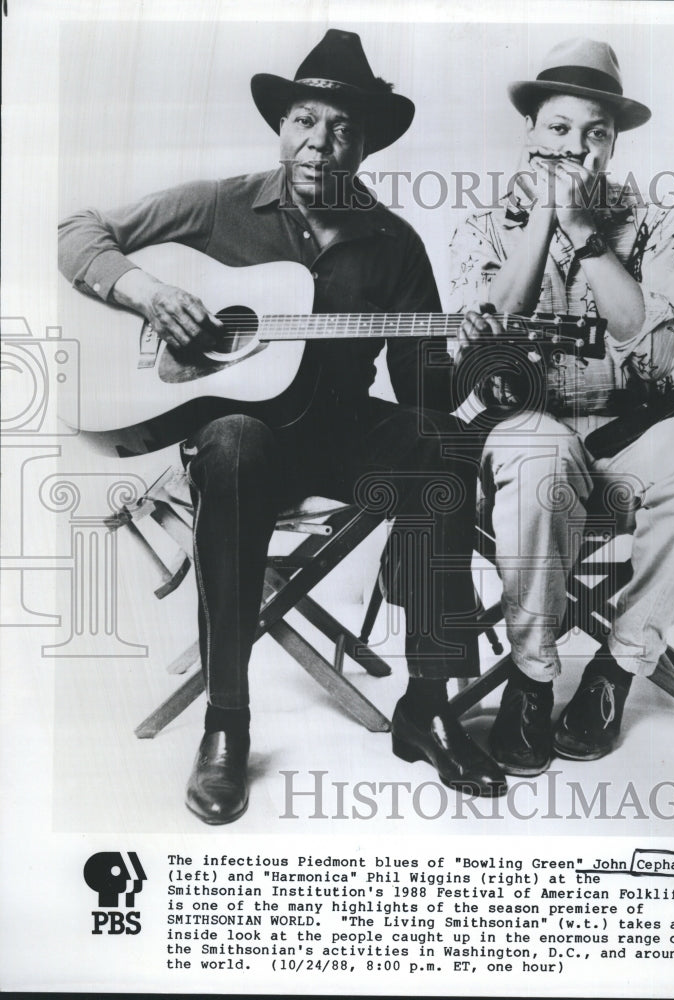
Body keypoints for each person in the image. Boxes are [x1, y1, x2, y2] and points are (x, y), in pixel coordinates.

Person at [59, 29, 507, 823]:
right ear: (282, 126)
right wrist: (148, 293)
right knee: (233, 444)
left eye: (341, 130)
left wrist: (460, 357)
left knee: (442, 448)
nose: (319, 144)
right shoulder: (216, 205)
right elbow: (77, 234)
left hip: (336, 435)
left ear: (365, 146)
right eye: (304, 120)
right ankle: (226, 724)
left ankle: (427, 703)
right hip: (239, 433)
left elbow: (420, 396)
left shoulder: (395, 245)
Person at [451, 38, 674, 776]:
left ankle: (616, 668)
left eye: (594, 133)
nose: (573, 146)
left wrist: (580, 233)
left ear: (610, 146)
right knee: (539, 457)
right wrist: (542, 222)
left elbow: (647, 341)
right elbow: (486, 346)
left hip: (626, 423)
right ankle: (531, 680)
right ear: (529, 131)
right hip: (525, 424)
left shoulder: (650, 223)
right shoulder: (481, 224)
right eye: (557, 127)